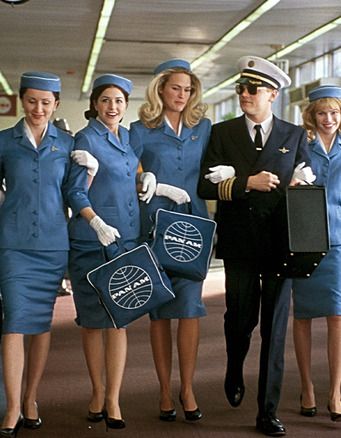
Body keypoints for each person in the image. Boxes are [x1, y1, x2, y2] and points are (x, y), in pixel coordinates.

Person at [197, 55, 311, 437]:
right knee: (240, 320)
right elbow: (206, 185)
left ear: (272, 95)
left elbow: (307, 175)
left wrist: (302, 182)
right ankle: (234, 366)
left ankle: (267, 410)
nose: (244, 94)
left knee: (275, 330)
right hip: (241, 242)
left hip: (281, 244)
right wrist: (247, 182)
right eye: (241, 89)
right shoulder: (223, 132)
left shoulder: (293, 135)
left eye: (253, 89)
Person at [0, 72, 92, 437]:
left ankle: (30, 397)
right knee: (15, 321)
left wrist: (91, 172)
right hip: (12, 242)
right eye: (32, 101)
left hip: (52, 244)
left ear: (56, 104)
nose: (38, 109)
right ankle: (12, 407)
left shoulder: (69, 142)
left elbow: (75, 195)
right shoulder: (2, 141)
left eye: (46, 102)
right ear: (21, 101)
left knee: (40, 324)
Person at [68, 73, 155, 430]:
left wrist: (146, 177)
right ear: (95, 105)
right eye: (106, 100)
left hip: (126, 239)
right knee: (92, 322)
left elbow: (125, 179)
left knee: (119, 321)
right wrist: (95, 222)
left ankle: (114, 398)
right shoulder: (86, 137)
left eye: (119, 101)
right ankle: (97, 392)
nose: (112, 107)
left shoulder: (130, 138)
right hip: (91, 240)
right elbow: (75, 192)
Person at [130, 59, 211, 422]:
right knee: (160, 310)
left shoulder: (203, 128)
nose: (182, 95)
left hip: (193, 229)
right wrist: (148, 180)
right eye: (176, 87)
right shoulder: (139, 129)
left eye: (188, 89)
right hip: (154, 228)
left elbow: (217, 166)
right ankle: (164, 388)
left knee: (190, 308)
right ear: (161, 89)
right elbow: (126, 170)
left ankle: (187, 386)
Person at [291, 85, 341, 423]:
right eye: (322, 112)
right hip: (304, 237)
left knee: (338, 314)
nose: (328, 118)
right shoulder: (298, 146)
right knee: (304, 315)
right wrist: (292, 178)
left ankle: (335, 392)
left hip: (338, 240)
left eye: (335, 112)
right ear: (312, 115)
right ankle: (307, 387)